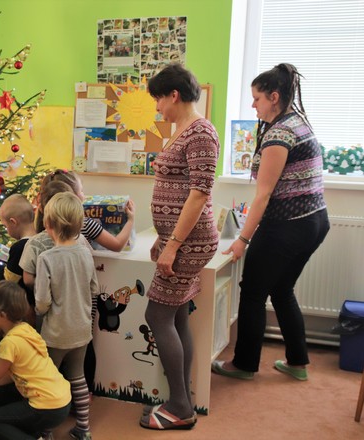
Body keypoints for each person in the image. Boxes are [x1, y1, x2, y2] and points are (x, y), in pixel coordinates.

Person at [212, 63, 330, 382]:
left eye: (257, 99)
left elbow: (263, 195)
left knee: (252, 292)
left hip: (288, 225)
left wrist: (242, 240)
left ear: (274, 97)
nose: (253, 105)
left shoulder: (279, 133)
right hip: (315, 221)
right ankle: (297, 362)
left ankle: (244, 364)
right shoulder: (298, 121)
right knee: (281, 288)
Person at [140, 63, 219, 430]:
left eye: (159, 99)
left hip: (189, 242)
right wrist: (164, 236)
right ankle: (181, 399)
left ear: (174, 95)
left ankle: (179, 408)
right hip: (179, 239)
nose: (157, 107)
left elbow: (199, 193)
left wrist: (173, 245)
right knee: (176, 315)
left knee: (157, 316)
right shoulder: (183, 130)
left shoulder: (201, 132)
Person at [0, 281, 72, 440]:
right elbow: (7, 375)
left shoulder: (10, 343)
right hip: (60, 400)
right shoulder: (25, 329)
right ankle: (36, 434)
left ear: (2, 315)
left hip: (47, 407)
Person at [35, 192, 100, 440]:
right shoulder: (86, 253)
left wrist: (40, 314)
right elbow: (94, 289)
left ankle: (46, 431)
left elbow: (42, 302)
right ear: (79, 224)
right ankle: (83, 428)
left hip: (55, 333)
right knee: (78, 377)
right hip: (81, 330)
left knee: (48, 381)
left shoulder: (46, 258)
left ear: (48, 224)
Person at [38, 169, 135, 252]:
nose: (84, 195)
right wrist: (130, 220)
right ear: (72, 198)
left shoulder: (48, 225)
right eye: (81, 191)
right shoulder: (84, 224)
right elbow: (117, 245)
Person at [0, 194, 37, 323]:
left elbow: (8, 280)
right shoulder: (39, 240)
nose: (6, 230)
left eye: (5, 226)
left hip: (25, 309)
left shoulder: (20, 247)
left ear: (13, 222)